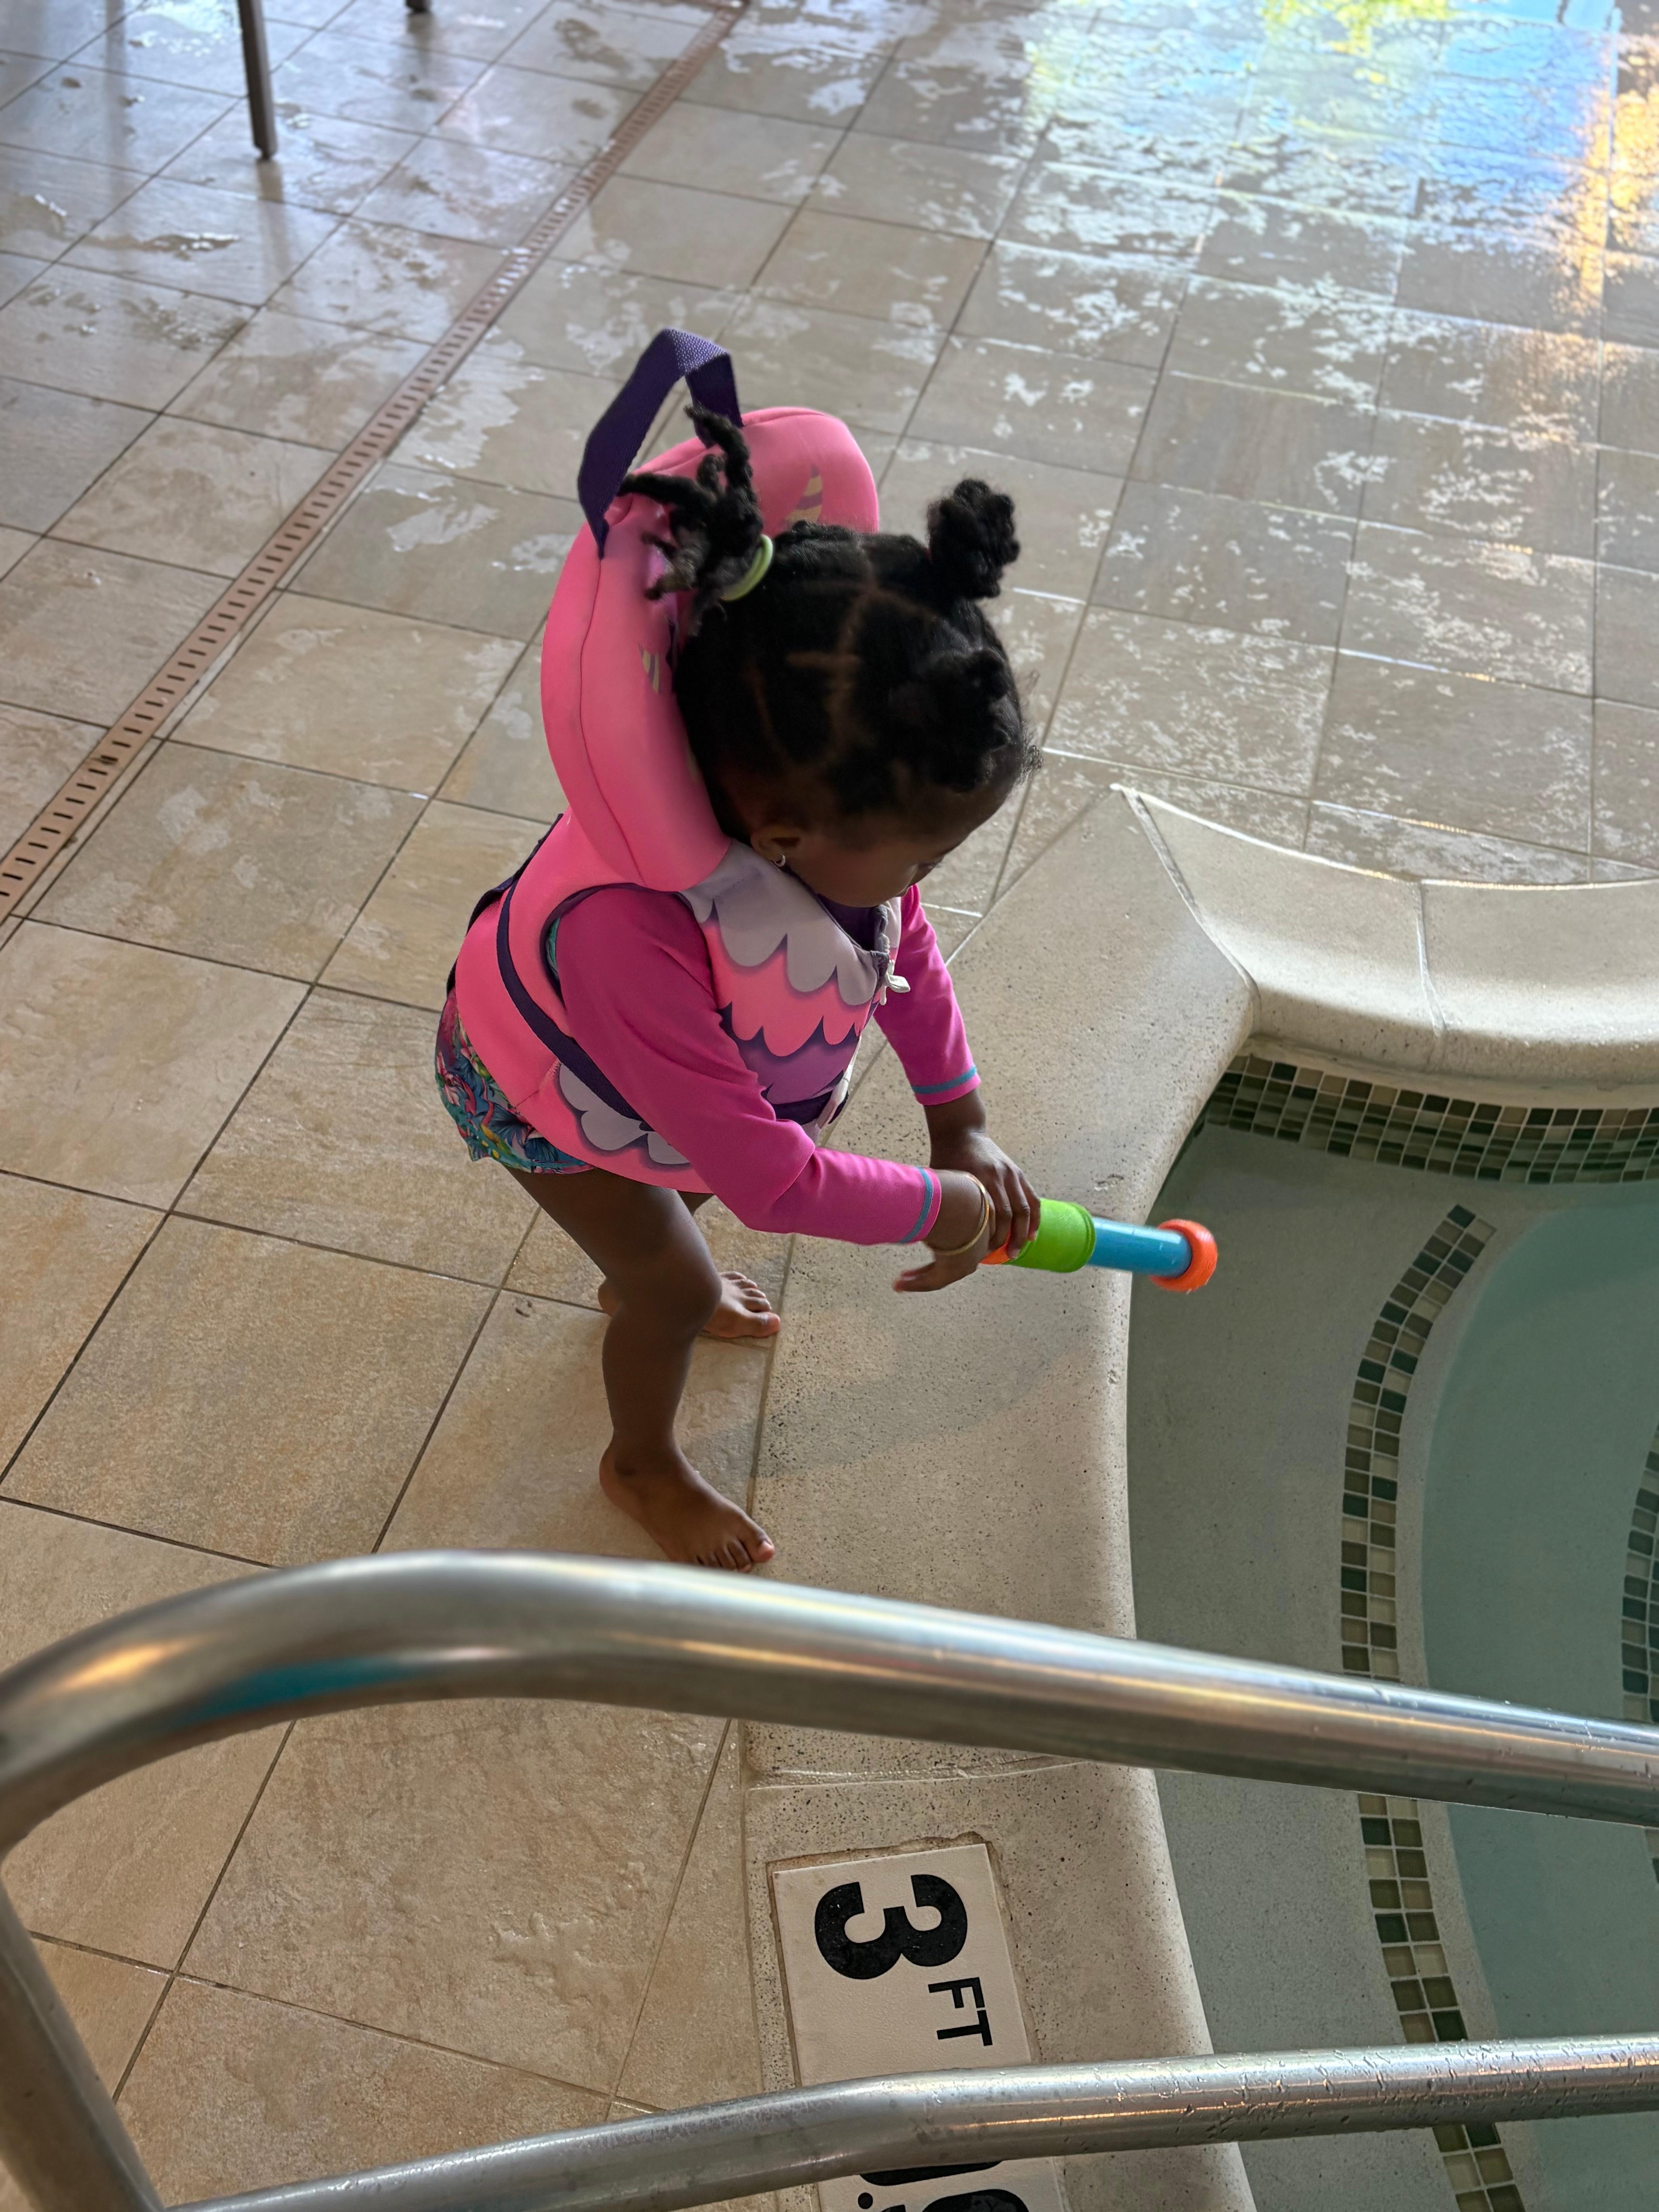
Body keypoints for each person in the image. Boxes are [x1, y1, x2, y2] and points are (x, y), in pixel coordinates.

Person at [436, 407, 1041, 1573]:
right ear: (779, 834)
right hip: (535, 1095)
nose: (921, 886)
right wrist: (941, 1204)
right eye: (917, 860)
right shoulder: (632, 935)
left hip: (645, 1078)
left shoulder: (818, 837)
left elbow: (899, 943)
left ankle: (650, 1272)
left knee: (681, 1205)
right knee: (670, 1280)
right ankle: (640, 1464)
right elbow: (771, 1179)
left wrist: (958, 1116)